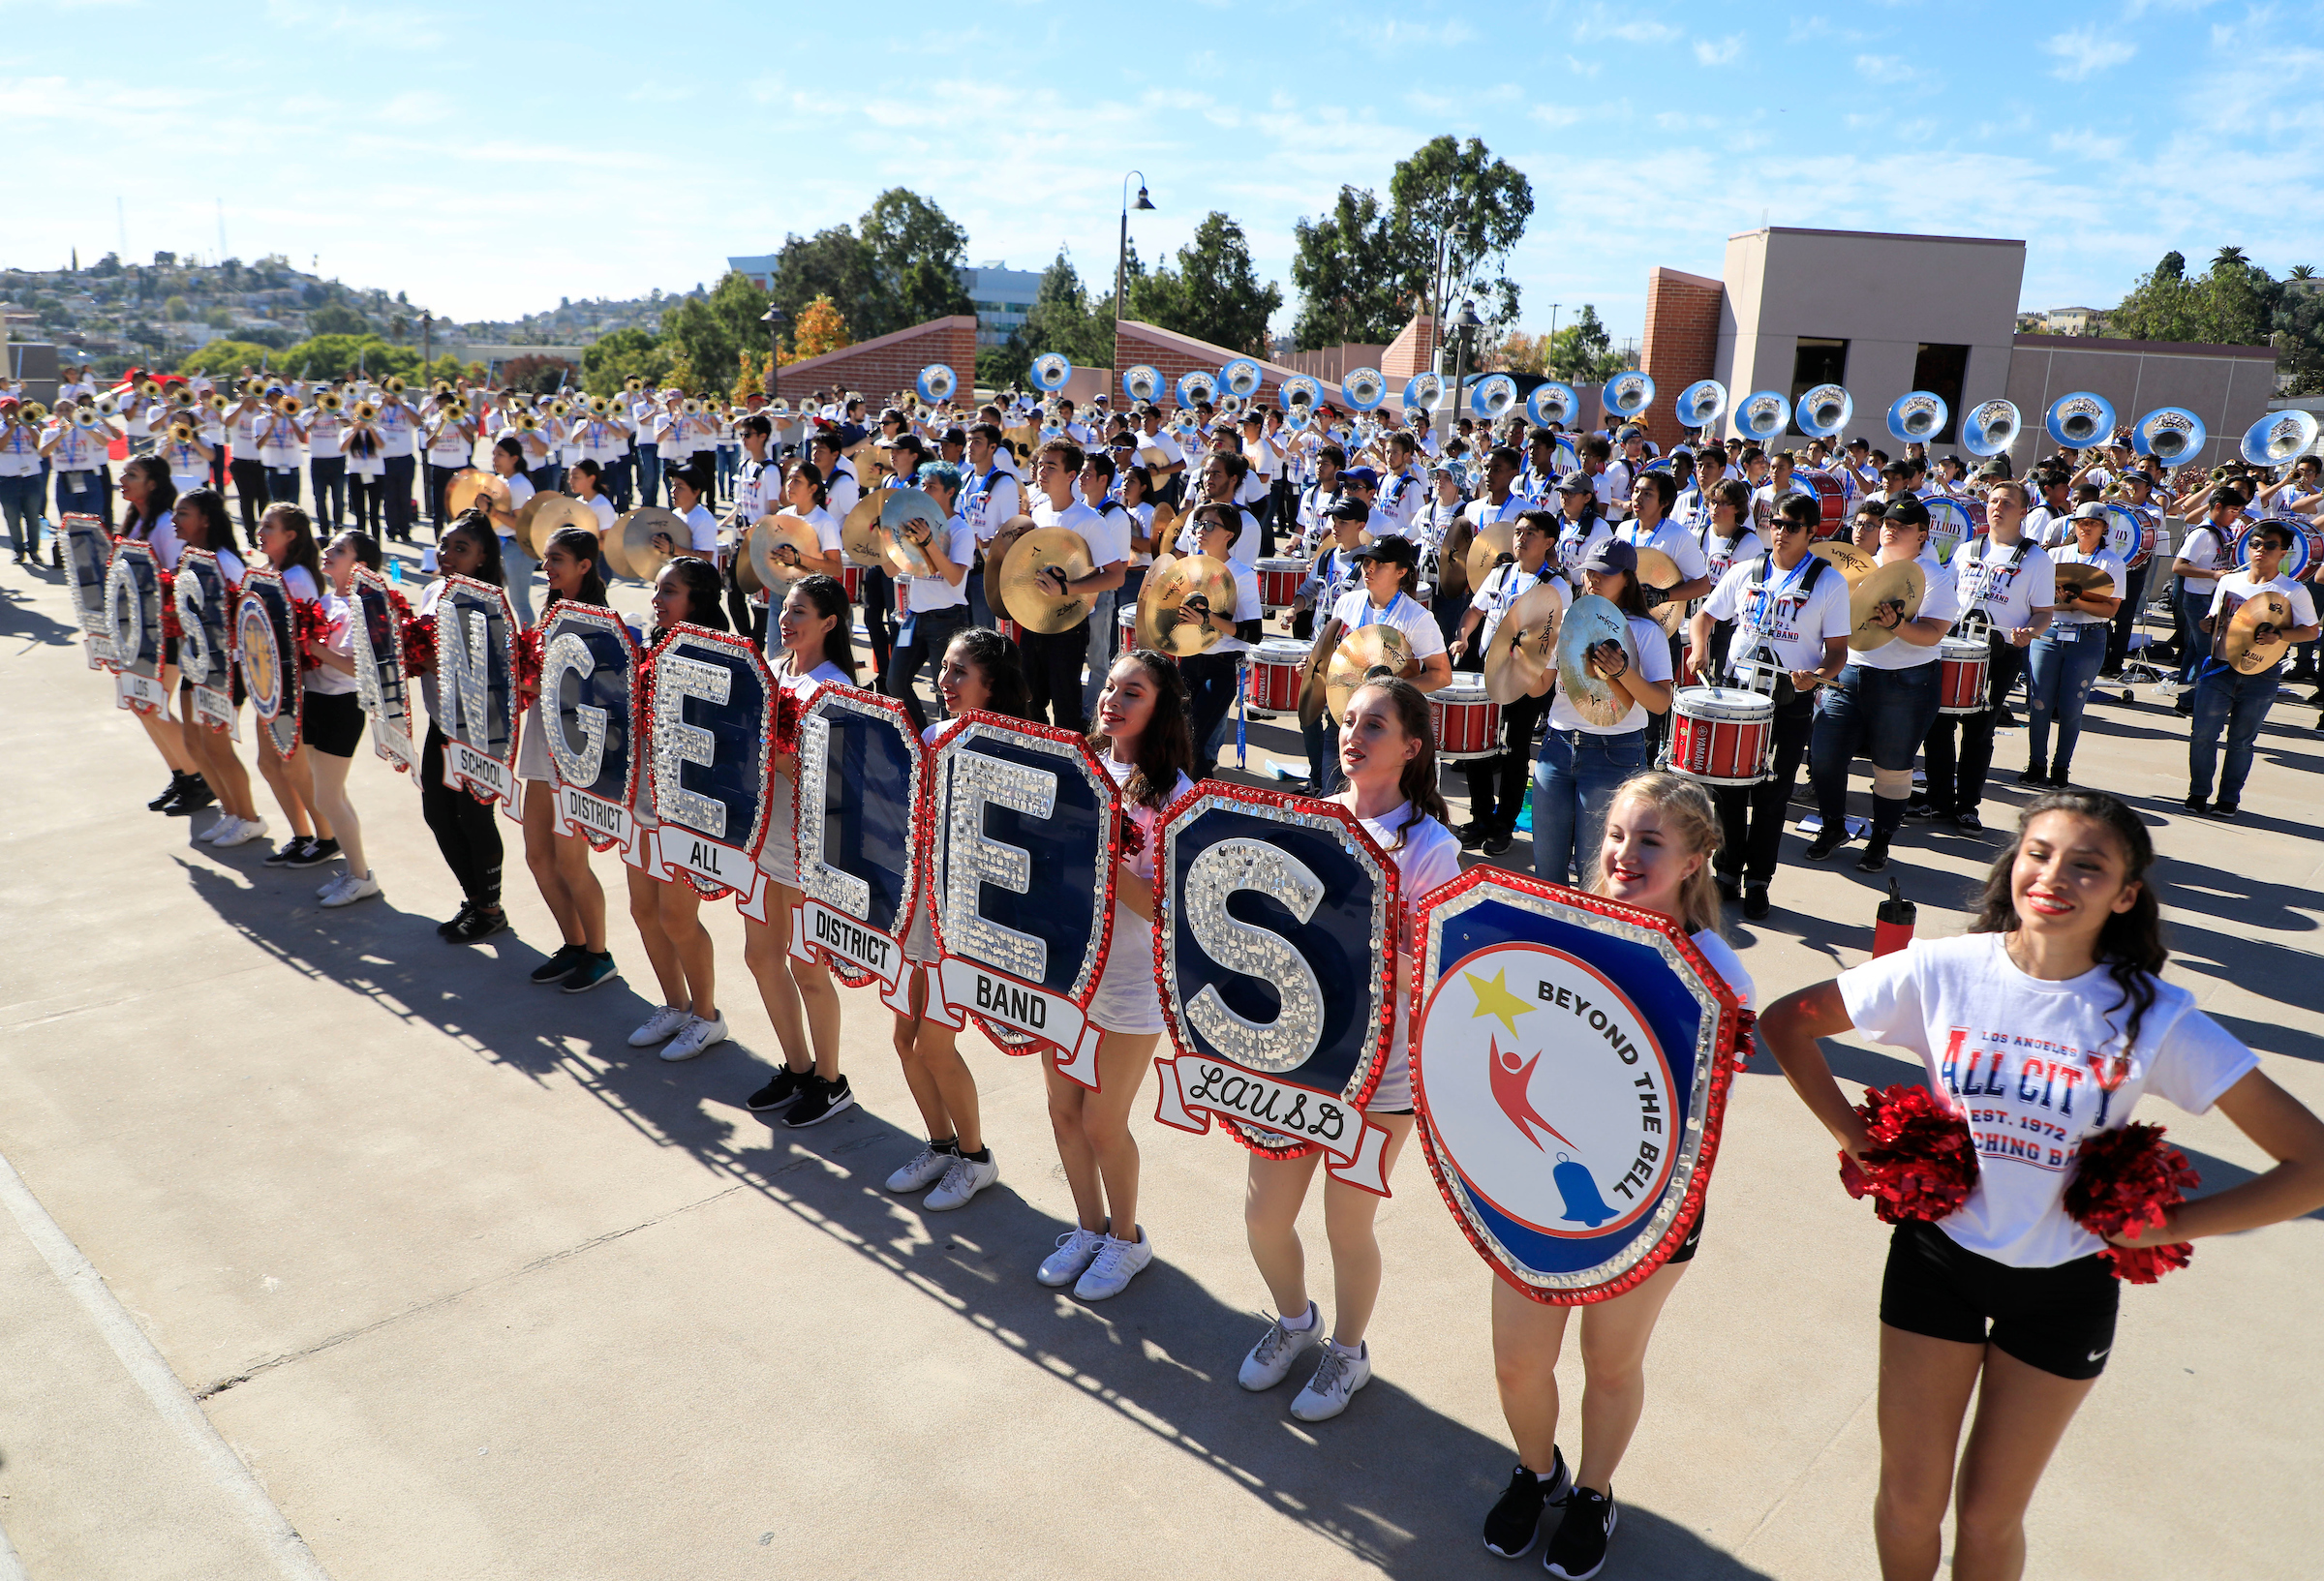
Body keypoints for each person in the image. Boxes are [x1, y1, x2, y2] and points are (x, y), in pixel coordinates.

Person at [1758, 791, 2324, 1581]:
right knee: (1910, 1499)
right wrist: (1862, 1143)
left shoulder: (2152, 1017)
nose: (2055, 875)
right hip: (1938, 1261)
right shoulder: (1944, 968)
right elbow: (1787, 1021)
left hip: (2066, 1288)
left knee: (1990, 1517)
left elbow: (2312, 1163)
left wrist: (2159, 1228)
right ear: (2014, 861)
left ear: (2126, 895)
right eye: (2040, 852)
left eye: (2088, 866)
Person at [1484, 771, 1755, 1574]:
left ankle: (1595, 1493)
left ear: (1696, 856)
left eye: (1650, 840)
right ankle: (1538, 1473)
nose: (1624, 853)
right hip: (1532, 1188)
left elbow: (1687, 1117)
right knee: (1518, 1360)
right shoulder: (1557, 927)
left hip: (1650, 1205)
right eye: (1616, 835)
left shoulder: (1718, 974)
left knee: (1610, 1360)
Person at [1238, 676, 1458, 1423]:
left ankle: (1349, 1350)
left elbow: (1432, 968)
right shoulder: (1314, 820)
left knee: (1345, 1222)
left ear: (1411, 747)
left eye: (1375, 724)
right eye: (1350, 720)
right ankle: (1296, 1321)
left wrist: (1381, 939)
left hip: (1381, 1068)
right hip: (1297, 1053)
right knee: (1265, 1216)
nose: (1353, 735)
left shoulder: (1431, 847)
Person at [1036, 652, 1194, 1302]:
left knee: (1104, 1120)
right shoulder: (1079, 763)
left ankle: (1127, 1239)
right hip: (1061, 965)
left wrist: (1099, 842)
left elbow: (1164, 907)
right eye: (1109, 685)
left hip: (1130, 977)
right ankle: (1088, 1227)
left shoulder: (1180, 795)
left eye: (1134, 691)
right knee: (1063, 1110)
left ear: (1159, 708)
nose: (1114, 698)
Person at [880, 626, 1030, 1207]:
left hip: (969, 919)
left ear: (991, 684)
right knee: (903, 1037)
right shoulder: (933, 735)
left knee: (934, 1044)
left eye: (959, 672)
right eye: (942, 668)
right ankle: (941, 1146)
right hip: (917, 907)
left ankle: (975, 1158)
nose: (943, 682)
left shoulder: (1015, 748)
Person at [1686, 494, 1851, 919]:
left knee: (1773, 795)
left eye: (1792, 525)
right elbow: (1704, 618)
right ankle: (1725, 875)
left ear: (1812, 532)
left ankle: (1759, 881)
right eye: (1776, 523)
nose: (1781, 531)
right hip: (1738, 696)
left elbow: (1838, 653)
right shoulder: (1747, 571)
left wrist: (1816, 675)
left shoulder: (1828, 582)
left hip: (1787, 700)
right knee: (1728, 790)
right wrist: (1700, 650)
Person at [740, 575, 860, 1129]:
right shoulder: (776, 672)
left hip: (809, 850)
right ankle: (796, 1066)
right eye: (784, 609)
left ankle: (832, 1083)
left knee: (809, 969)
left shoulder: (837, 689)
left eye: (800, 612)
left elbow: (840, 782)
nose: (786, 620)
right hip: (765, 837)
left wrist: (773, 752)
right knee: (761, 957)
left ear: (830, 623)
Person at [1805, 499, 1957, 873]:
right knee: (1823, 756)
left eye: (1901, 525)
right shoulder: (1861, 567)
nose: (1889, 528)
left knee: (1891, 768)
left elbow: (1933, 633)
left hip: (1906, 682)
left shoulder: (1934, 577)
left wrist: (1897, 626)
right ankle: (1833, 826)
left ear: (1922, 536)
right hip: (1851, 675)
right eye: (1886, 522)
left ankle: (1880, 840)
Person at [623, 558, 729, 1062]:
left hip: (687, 807)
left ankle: (708, 1017)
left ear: (698, 601)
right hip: (640, 796)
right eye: (657, 589)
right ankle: (675, 1005)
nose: (656, 600)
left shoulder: (720, 658)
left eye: (670, 591)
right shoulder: (650, 647)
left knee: (677, 916)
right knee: (643, 909)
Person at [513, 527, 620, 991]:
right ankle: (573, 944)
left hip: (576, 752)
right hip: (541, 744)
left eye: (558, 559)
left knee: (572, 862)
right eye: (547, 558)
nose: (548, 567)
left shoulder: (601, 619)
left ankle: (599, 953)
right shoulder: (551, 608)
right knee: (538, 856)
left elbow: (606, 693)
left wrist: (548, 685)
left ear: (584, 565)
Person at [1532, 540, 1673, 886]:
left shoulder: (1645, 630)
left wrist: (1622, 672)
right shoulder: (1565, 621)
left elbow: (1660, 702)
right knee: (1547, 871)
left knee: (1597, 876)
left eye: (1604, 573)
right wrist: (1525, 654)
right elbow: (1538, 689)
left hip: (1615, 753)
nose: (1593, 579)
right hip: (1557, 746)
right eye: (1589, 572)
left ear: (1626, 578)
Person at [1915, 481, 2055, 831]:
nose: (1997, 507)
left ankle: (1967, 806)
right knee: (1938, 724)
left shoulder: (2037, 559)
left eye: (2007, 503)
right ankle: (1938, 800)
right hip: (1954, 646)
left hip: (2000, 652)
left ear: (2023, 511)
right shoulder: (1968, 549)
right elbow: (1945, 594)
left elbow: (2043, 613)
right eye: (1993, 501)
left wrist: (2031, 633)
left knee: (1979, 730)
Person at [2186, 519, 2320, 818]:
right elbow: (2214, 616)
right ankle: (2198, 793)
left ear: (2283, 552)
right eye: (2255, 544)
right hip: (2220, 667)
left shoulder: (2292, 590)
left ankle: (2228, 799)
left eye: (2270, 546)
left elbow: (2311, 631)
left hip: (2262, 672)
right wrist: (2207, 624)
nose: (2261, 550)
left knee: (2241, 741)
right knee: (2203, 735)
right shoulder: (2229, 581)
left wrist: (2280, 635)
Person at [417, 517, 511, 942]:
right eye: (444, 545)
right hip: (441, 722)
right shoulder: (433, 590)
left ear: (482, 558)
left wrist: (430, 658)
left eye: (461, 548)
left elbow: (490, 672)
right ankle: (475, 900)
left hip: (479, 729)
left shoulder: (490, 603)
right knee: (437, 814)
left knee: (474, 818)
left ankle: (489, 909)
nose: (447, 555)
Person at [1310, 534, 1453, 797]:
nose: (1369, 568)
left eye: (1379, 563)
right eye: (1366, 562)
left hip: (1387, 726)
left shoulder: (1417, 618)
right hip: (1344, 719)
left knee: (1378, 806)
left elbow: (1442, 675)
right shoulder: (1346, 603)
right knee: (1335, 802)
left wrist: (1392, 691)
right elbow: (1338, 657)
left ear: (1401, 571)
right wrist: (1314, 669)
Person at [1452, 509, 1559, 854]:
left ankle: (1504, 824)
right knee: (1477, 743)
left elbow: (1551, 638)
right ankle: (1481, 815)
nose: (1521, 538)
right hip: (1489, 668)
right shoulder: (1499, 574)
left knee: (1515, 750)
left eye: (1530, 532)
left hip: (1527, 675)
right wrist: (1464, 636)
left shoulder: (1556, 586)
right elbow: (1474, 611)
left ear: (1548, 542)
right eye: (1518, 531)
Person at [169, 489, 266, 848]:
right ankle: (231, 812)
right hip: (195, 662)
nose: (175, 520)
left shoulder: (225, 561)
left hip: (224, 669)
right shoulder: (188, 554)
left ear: (206, 520)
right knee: (195, 743)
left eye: (184, 513)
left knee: (217, 746)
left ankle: (250, 817)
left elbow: (243, 618)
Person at [298, 529, 384, 906]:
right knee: (330, 793)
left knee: (327, 797)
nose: (329, 552)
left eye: (340, 550)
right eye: (330, 546)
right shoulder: (325, 599)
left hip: (341, 706)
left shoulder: (360, 606)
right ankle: (352, 872)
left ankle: (362, 876)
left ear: (359, 564)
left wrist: (312, 647)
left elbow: (357, 668)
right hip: (313, 699)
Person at [2021, 502, 2124, 789]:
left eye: (2093, 523)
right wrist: (2067, 603)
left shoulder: (2112, 562)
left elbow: (2111, 610)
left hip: (2088, 636)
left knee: (2071, 707)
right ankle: (2035, 764)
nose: (2085, 527)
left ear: (2104, 528)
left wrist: (2075, 602)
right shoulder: (2054, 555)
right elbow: (2038, 598)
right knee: (2039, 703)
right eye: (2080, 522)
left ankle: (2061, 767)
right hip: (2051, 633)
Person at [1017, 440, 1110, 731]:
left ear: (1072, 475)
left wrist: (1066, 589)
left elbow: (1115, 575)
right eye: (1040, 465)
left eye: (1051, 466)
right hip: (1035, 619)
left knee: (1066, 705)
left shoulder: (1089, 520)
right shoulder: (1040, 511)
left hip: (1069, 624)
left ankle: (1070, 768)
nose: (1042, 472)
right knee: (1028, 700)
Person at [1175, 503, 1265, 775]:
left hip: (1223, 666)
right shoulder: (1189, 568)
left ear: (1229, 534)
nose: (1201, 530)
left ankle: (1200, 803)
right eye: (1199, 524)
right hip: (1190, 660)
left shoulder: (1242, 574)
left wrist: (1208, 618)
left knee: (1193, 740)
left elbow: (1253, 633)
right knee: (1179, 737)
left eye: (1210, 525)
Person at [2167, 487, 2237, 714]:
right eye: (2233, 511)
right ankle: (2190, 700)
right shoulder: (2202, 534)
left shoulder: (2224, 531)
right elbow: (2178, 566)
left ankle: (2185, 696)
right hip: (2198, 598)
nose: (2236, 516)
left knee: (2195, 650)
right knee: (2205, 652)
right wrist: (2213, 575)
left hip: (2213, 597)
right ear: (2218, 507)